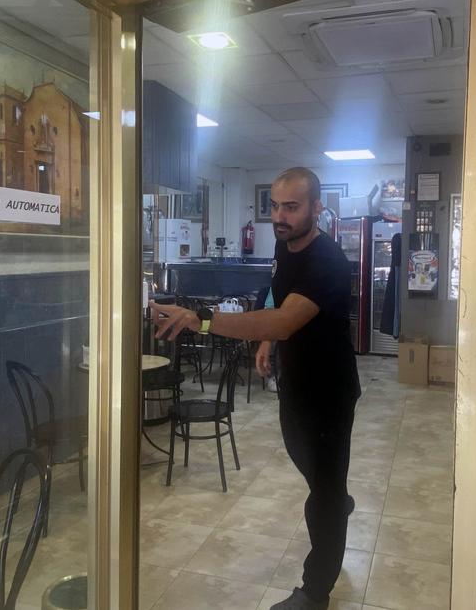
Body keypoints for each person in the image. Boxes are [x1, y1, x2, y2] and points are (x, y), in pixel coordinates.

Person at [149, 167, 360, 610]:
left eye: (292, 206)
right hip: (295, 381)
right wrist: (266, 340)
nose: (280, 216)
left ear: (316, 208)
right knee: (306, 461)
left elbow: (286, 319)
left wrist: (203, 320)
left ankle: (315, 590)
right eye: (275, 206)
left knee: (320, 495)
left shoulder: (328, 261)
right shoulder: (285, 249)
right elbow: (278, 303)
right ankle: (337, 498)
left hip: (329, 390)